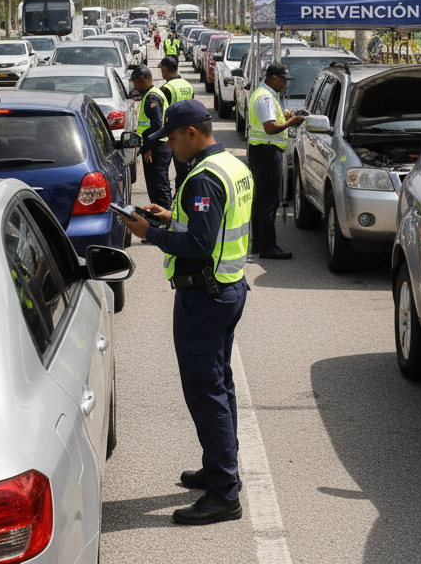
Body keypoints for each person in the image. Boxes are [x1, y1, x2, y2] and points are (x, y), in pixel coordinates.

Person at [124, 99, 253, 525]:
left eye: (173, 138)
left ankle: (223, 494)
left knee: (206, 392)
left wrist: (151, 234)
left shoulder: (202, 178)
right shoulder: (233, 166)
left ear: (192, 133)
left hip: (204, 298)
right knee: (221, 385)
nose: (171, 146)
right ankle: (221, 469)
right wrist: (168, 216)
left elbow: (198, 245)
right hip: (229, 288)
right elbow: (208, 230)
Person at [247, 63, 304, 259]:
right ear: (271, 77)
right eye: (282, 80)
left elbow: (271, 121)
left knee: (261, 200)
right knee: (269, 202)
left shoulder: (265, 94)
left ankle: (258, 243)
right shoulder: (265, 97)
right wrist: (291, 122)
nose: (284, 84)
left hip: (261, 150)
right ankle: (268, 246)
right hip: (267, 151)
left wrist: (285, 116)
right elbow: (270, 128)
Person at [130, 64, 171, 210]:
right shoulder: (153, 93)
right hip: (159, 147)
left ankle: (164, 220)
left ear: (142, 79)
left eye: (135, 82)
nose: (134, 86)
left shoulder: (152, 97)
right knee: (158, 187)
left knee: (159, 188)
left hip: (156, 149)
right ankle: (162, 217)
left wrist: (148, 150)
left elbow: (157, 127)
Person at [159, 54, 196, 192]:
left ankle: (178, 202)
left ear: (166, 69)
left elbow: (163, 114)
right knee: (185, 171)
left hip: (173, 134)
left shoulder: (167, 88)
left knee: (171, 172)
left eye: (162, 69)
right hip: (189, 133)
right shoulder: (188, 85)